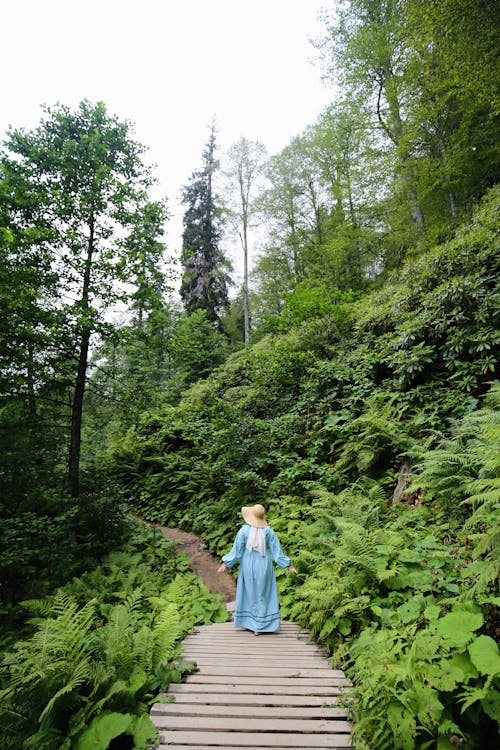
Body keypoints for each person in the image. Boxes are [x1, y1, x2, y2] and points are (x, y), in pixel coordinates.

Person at [217, 504, 297, 635]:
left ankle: (252, 623)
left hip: (248, 564)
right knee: (262, 594)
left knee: (250, 593)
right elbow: (277, 551)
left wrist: (226, 563)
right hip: (263, 564)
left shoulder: (244, 530)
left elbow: (237, 550)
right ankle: (260, 625)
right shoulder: (268, 531)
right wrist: (288, 565)